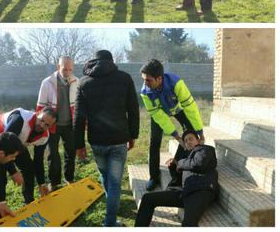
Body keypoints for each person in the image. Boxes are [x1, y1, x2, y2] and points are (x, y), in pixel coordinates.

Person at [73, 50, 140, 227]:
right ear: (111, 61)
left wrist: (79, 145)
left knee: (106, 176)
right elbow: (133, 109)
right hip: (119, 139)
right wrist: (133, 134)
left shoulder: (84, 83)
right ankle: (110, 223)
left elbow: (78, 116)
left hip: (96, 141)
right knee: (115, 182)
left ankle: (110, 214)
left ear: (94, 60)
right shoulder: (124, 78)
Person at [140, 59, 204, 191]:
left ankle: (176, 165)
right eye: (144, 79)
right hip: (159, 113)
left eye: (148, 80)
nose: (145, 83)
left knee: (190, 133)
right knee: (155, 141)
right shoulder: (145, 92)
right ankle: (153, 176)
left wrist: (200, 132)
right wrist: (177, 137)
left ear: (159, 78)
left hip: (177, 109)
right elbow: (160, 117)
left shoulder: (176, 83)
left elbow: (190, 107)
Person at [135, 129, 219, 227]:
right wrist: (173, 166)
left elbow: (198, 164)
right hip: (185, 193)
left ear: (198, 140)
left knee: (188, 224)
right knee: (147, 199)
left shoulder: (205, 149)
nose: (188, 142)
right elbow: (178, 178)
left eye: (191, 139)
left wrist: (179, 163)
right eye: (186, 141)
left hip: (200, 191)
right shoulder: (187, 158)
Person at [0, 107, 56, 213]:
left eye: (47, 125)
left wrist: (42, 183)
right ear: (37, 113)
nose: (42, 125)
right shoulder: (20, 119)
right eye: (41, 120)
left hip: (16, 141)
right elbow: (4, 147)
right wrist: (13, 172)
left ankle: (29, 203)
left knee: (29, 169)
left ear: (51, 126)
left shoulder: (44, 137)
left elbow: (38, 161)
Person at [36, 56, 78, 189]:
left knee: (70, 153)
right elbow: (40, 106)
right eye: (65, 69)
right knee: (53, 155)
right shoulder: (47, 83)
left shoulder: (77, 81)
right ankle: (54, 183)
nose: (67, 72)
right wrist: (42, 125)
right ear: (58, 67)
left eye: (70, 69)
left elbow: (79, 104)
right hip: (52, 126)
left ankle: (69, 178)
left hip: (70, 125)